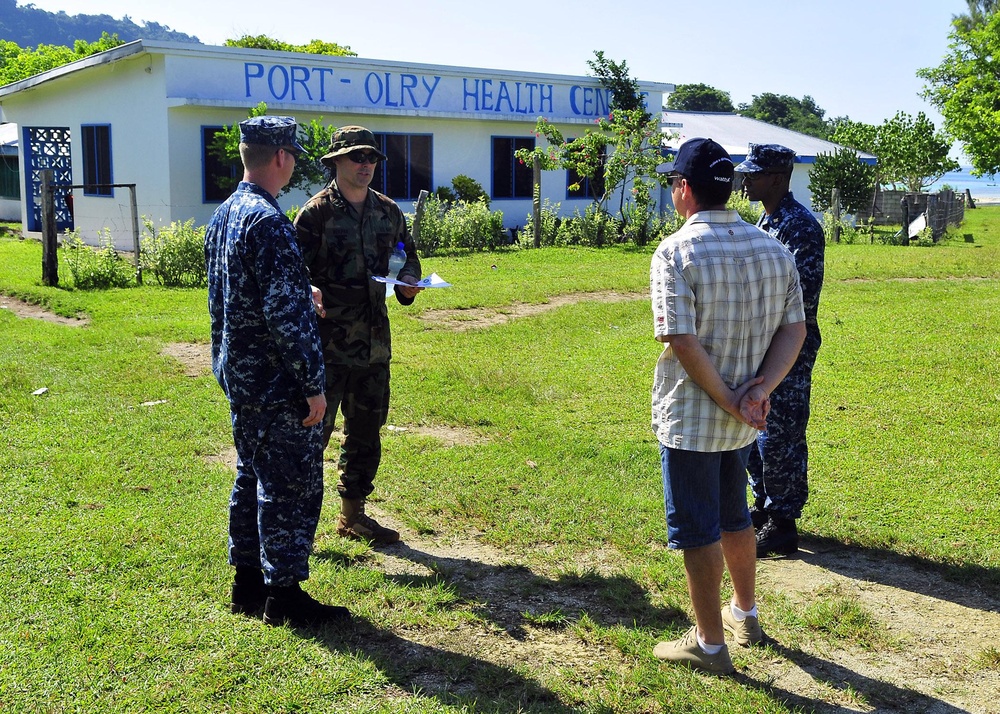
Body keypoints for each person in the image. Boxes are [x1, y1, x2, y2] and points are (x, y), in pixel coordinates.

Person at [650, 137, 806, 674]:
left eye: (674, 182)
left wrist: (728, 399)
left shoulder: (675, 251)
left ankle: (710, 644)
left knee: (697, 529)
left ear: (684, 189)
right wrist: (758, 392)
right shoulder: (774, 247)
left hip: (695, 418)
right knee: (736, 516)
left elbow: (681, 339)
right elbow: (795, 328)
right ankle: (746, 613)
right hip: (745, 418)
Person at [205, 115, 350, 628]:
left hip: (241, 377)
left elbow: (239, 293)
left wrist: (297, 291)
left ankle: (247, 582)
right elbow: (286, 320)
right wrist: (312, 385)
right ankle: (284, 596)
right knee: (289, 486)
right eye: (293, 157)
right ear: (282, 158)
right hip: (275, 381)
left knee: (250, 476)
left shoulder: (227, 214)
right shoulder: (268, 221)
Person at [294, 125, 422, 545]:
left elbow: (408, 257)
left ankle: (353, 516)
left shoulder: (389, 211)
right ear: (336, 163)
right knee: (313, 436)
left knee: (367, 430)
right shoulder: (314, 215)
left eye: (371, 159)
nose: (366, 166)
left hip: (373, 344)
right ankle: (296, 525)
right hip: (327, 346)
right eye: (357, 158)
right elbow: (294, 276)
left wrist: (408, 282)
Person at [735, 144, 825, 557]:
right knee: (755, 429)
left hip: (787, 346)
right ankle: (763, 506)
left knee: (781, 435)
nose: (746, 179)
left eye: (754, 174)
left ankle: (784, 521)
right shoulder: (767, 219)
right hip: (760, 343)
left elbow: (800, 301)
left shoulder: (801, 227)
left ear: (777, 177)